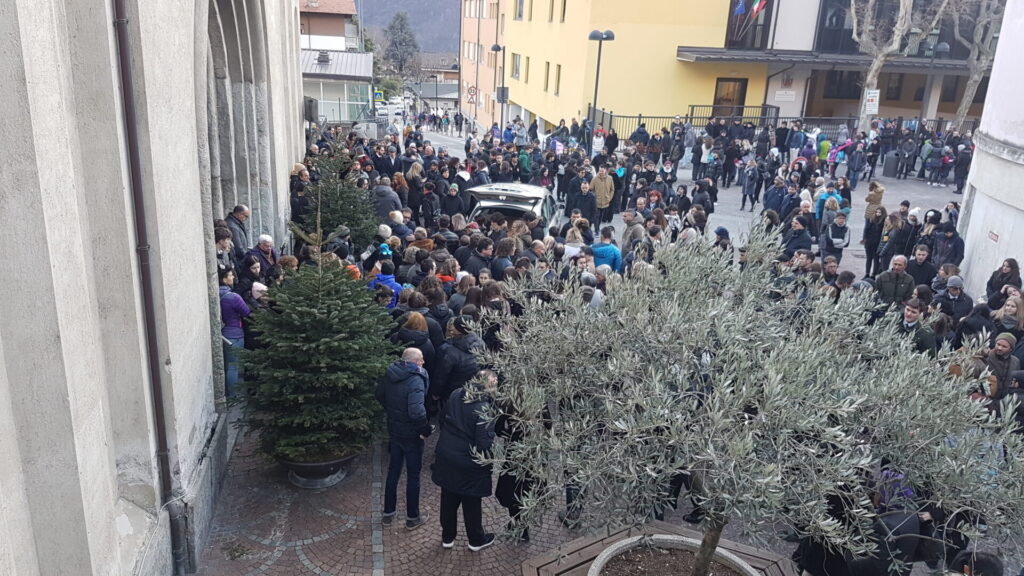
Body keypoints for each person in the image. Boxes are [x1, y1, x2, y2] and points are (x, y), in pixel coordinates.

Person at [431, 369, 498, 551]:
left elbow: (443, 419)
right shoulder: (484, 408)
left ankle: (447, 537)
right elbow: (484, 444)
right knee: (471, 502)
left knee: (448, 498)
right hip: (469, 462)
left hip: (447, 455)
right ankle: (476, 539)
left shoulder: (455, 394)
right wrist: (488, 463)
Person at [377, 348, 433, 530]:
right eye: (421, 360)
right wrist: (425, 430)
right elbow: (416, 412)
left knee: (393, 471)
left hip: (395, 431)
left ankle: (388, 512)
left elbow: (379, 394)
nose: (423, 362)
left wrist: (393, 413)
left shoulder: (390, 372)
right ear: (415, 362)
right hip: (411, 435)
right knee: (413, 475)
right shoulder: (416, 379)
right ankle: (412, 517)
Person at [218, 267, 250, 397]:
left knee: (227, 365)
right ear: (224, 279)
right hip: (235, 334)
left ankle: (229, 392)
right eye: (230, 275)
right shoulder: (233, 297)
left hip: (223, 333)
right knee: (233, 366)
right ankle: (233, 395)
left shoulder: (215, 295)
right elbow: (246, 312)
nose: (233, 278)